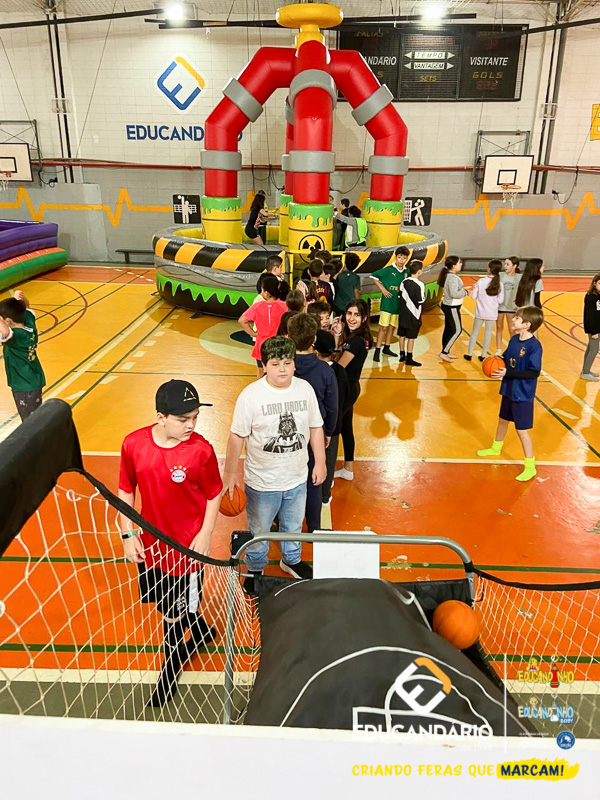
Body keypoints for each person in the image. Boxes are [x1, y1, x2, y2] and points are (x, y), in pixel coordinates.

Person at [118, 380, 222, 706]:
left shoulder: (201, 450)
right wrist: (127, 534)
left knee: (173, 616)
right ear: (160, 417)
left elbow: (214, 493)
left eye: (195, 417)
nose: (191, 425)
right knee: (166, 604)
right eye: (183, 419)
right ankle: (202, 631)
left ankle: (169, 671)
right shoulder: (134, 444)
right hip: (151, 545)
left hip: (186, 551)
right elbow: (125, 490)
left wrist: (205, 533)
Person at [223, 336, 326, 591]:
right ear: (264, 365)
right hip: (263, 481)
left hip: (297, 477)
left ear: (295, 364)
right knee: (259, 529)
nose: (282, 369)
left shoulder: (305, 389)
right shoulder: (251, 396)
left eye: (287, 363)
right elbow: (237, 436)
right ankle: (256, 567)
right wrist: (230, 474)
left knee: (293, 525)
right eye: (275, 363)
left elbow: (315, 427)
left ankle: (291, 559)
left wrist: (321, 462)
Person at [477, 306, 544, 482]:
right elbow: (505, 360)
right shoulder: (514, 340)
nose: (513, 319)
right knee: (502, 420)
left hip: (523, 394)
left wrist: (508, 373)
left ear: (526, 324)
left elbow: (534, 372)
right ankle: (496, 447)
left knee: (522, 431)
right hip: (509, 389)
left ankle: (530, 465)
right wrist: (495, 361)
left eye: (517, 318)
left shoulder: (534, 346)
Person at [288, 314, 338, 532]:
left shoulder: (284, 369)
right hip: (315, 433)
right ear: (314, 338)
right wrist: (328, 432)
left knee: (288, 478)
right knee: (315, 478)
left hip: (289, 432)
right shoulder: (325, 370)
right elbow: (332, 406)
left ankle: (284, 522)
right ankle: (314, 525)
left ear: (289, 336)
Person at [332, 299, 373, 481]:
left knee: (333, 429)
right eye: (349, 313)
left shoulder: (356, 341)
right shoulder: (358, 337)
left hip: (345, 388)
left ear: (364, 318)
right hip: (350, 387)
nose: (351, 318)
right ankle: (348, 469)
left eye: (357, 314)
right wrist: (338, 335)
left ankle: (327, 476)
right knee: (346, 427)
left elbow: (339, 366)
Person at [314, 329, 350, 507]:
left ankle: (316, 493)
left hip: (316, 426)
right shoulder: (340, 371)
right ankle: (325, 495)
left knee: (314, 460)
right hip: (334, 426)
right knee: (328, 460)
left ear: (315, 349)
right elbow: (346, 397)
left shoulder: (315, 372)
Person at [0, 291, 45, 421]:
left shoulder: (16, 336)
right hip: (33, 380)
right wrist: (19, 300)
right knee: (35, 416)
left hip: (24, 385)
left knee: (29, 421)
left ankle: (38, 434)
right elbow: (27, 307)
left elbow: (5, 332)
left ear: (8, 321)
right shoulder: (29, 326)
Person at [238, 274, 287, 378]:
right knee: (278, 371)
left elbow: (242, 320)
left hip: (261, 344)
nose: (261, 293)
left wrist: (253, 333)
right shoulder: (284, 306)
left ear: (267, 293)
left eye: (262, 290)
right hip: (279, 344)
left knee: (261, 372)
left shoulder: (257, 306)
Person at [371, 246, 411, 362]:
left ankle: (387, 348)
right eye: (399, 257)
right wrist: (383, 289)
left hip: (398, 304)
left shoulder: (407, 272)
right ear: (395, 257)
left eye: (404, 258)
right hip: (387, 304)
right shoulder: (388, 270)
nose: (401, 260)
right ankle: (377, 350)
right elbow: (373, 276)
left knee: (392, 327)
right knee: (383, 327)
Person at [464, 260, 505, 362]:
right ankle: (483, 355)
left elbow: (473, 296)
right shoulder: (500, 284)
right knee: (488, 333)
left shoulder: (481, 281)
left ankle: (469, 354)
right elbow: (500, 300)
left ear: (489, 269)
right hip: (492, 313)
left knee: (474, 332)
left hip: (480, 311)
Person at [439, 255, 470, 363]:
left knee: (449, 329)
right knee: (457, 330)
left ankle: (446, 351)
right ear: (453, 266)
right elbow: (454, 293)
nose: (461, 264)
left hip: (449, 305)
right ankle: (444, 352)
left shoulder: (449, 276)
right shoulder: (452, 278)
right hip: (451, 307)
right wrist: (466, 292)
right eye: (459, 263)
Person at [397, 260, 425, 367]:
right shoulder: (420, 284)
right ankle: (409, 358)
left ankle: (401, 355)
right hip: (414, 314)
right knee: (411, 338)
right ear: (419, 271)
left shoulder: (403, 282)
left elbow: (399, 295)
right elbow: (421, 300)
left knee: (402, 335)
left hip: (403, 314)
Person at [495, 256, 520, 355]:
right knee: (499, 327)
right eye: (505, 264)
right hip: (500, 306)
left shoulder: (519, 277)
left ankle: (513, 349)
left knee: (512, 329)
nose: (505, 266)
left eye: (508, 264)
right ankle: (498, 349)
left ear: (514, 266)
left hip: (512, 307)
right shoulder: (500, 275)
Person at [581, 272, 600, 381]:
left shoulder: (598, 295)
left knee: (590, 348)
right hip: (594, 328)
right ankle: (585, 372)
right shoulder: (591, 297)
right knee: (594, 349)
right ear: (594, 283)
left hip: (597, 326)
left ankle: (586, 369)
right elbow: (589, 315)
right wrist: (594, 331)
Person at [333, 251, 361, 317]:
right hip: (350, 305)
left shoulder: (339, 276)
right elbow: (356, 292)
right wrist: (358, 303)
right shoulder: (356, 277)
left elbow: (333, 281)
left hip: (338, 305)